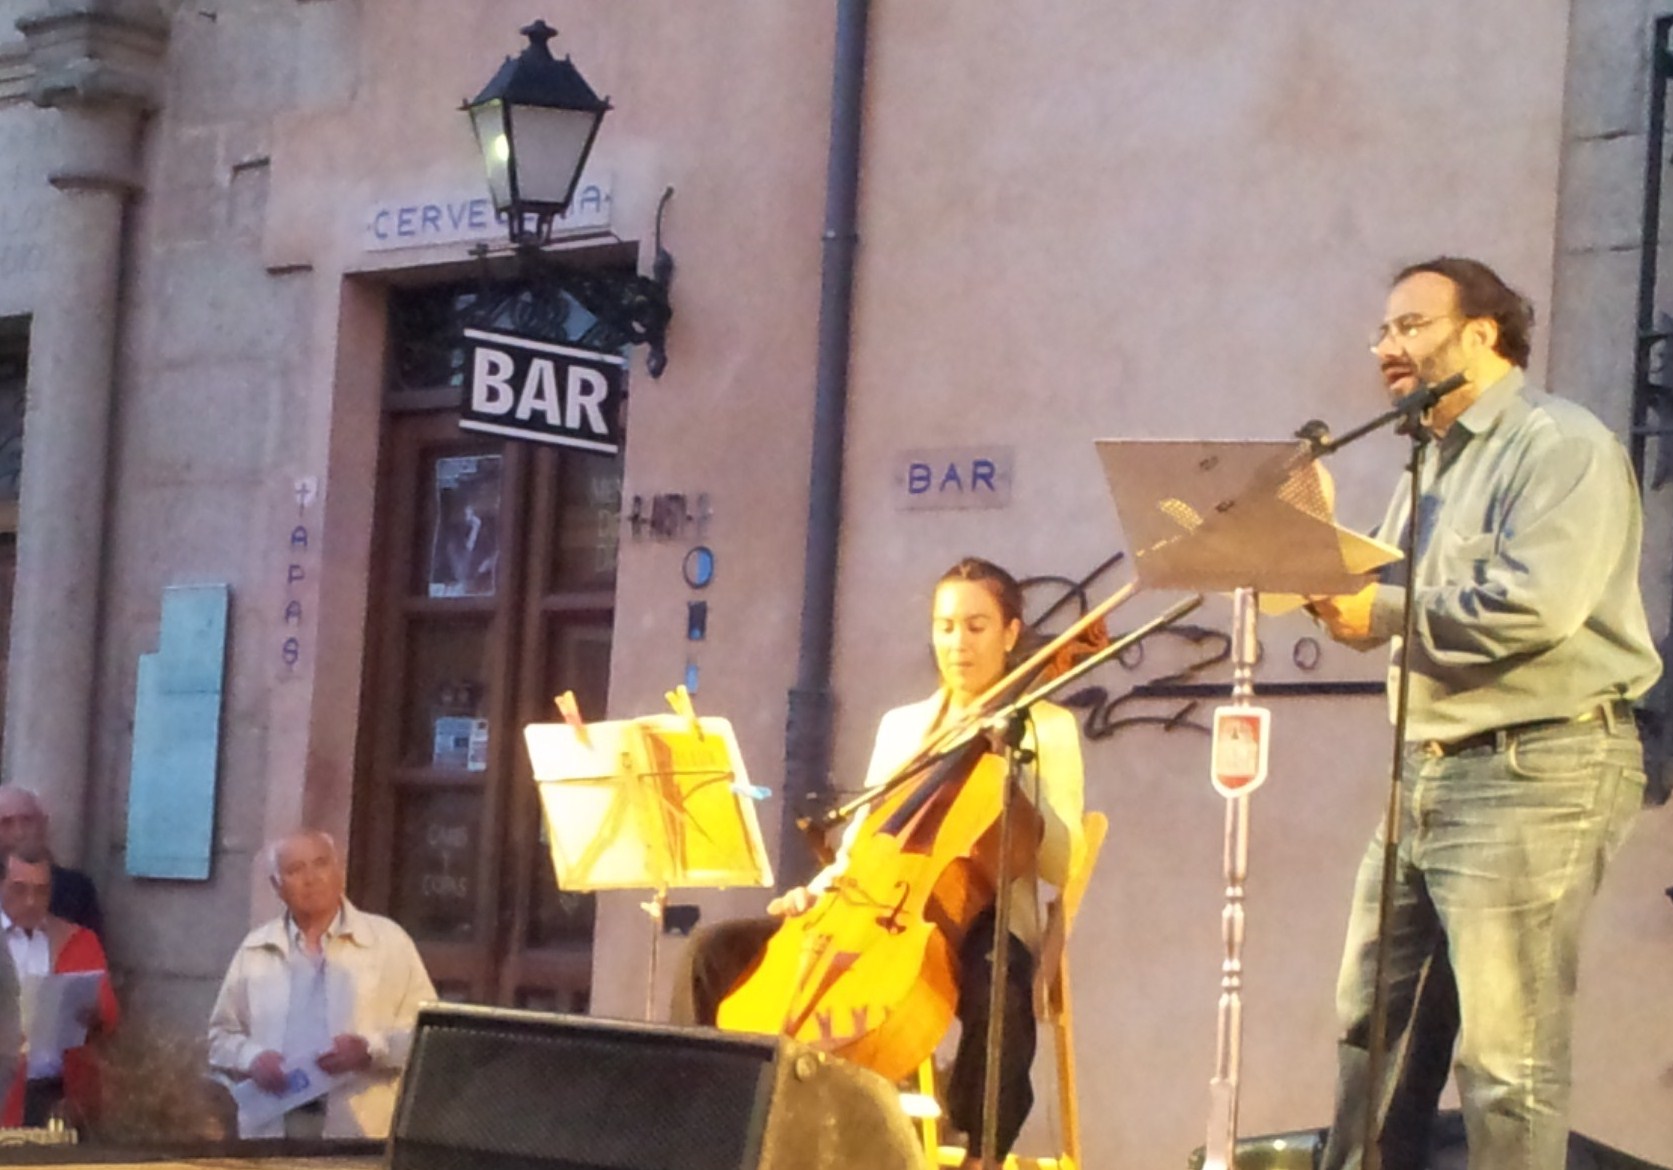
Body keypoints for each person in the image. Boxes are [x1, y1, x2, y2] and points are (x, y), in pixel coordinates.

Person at [1310, 256, 1661, 1170]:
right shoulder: (1427, 458)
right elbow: (1397, 588)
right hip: (1425, 769)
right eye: (1382, 330)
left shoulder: (1560, 446)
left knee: (1505, 1062)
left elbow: (1532, 607)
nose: (1386, 347)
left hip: (1535, 769)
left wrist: (1380, 611)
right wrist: (1305, 556)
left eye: (1410, 326)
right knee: (1370, 1035)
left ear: (1482, 334)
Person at [673, 557, 1086, 1168]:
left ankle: (981, 1152)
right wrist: (817, 891)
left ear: (1010, 633)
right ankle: (705, 1125)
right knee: (711, 953)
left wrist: (1015, 773)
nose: (958, 643)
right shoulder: (905, 727)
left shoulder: (1046, 727)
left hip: (977, 914)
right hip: (872, 907)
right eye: (945, 626)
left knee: (1001, 981)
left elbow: (1059, 861)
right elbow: (866, 839)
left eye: (976, 626)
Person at [206, 830, 436, 1139]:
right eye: (295, 870)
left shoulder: (389, 942)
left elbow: (427, 1036)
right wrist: (252, 1058)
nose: (311, 878)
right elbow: (221, 1036)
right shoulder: (256, 948)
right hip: (275, 1127)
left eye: (321, 864)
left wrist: (371, 1050)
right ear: (277, 886)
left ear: (339, 872)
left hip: (359, 1129)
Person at [0, 844, 120, 1128]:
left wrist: (93, 1016)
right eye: (19, 889)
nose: (31, 901)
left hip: (60, 1093)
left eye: (41, 891)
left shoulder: (76, 940)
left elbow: (109, 1018)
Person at [0, 787, 102, 935]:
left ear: (44, 825)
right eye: (6, 823)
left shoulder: (75, 890)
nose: (19, 833)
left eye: (28, 821)